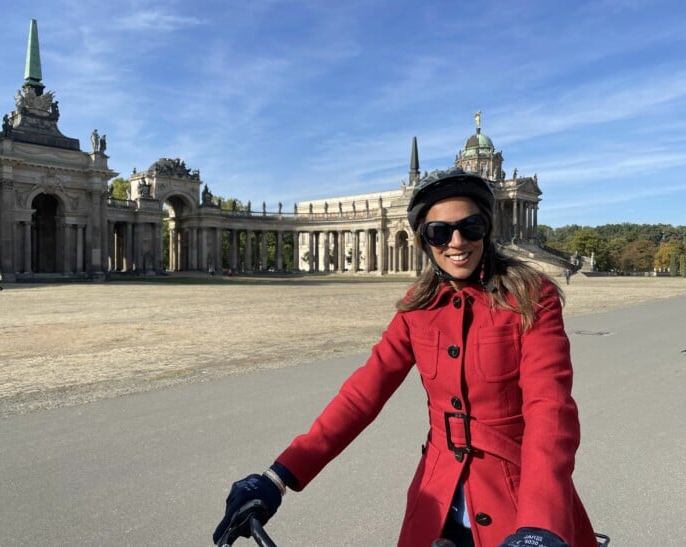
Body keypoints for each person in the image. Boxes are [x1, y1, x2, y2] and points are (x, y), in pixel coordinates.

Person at [212, 167, 598, 547]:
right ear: (425, 240)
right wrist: (278, 476)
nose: (457, 242)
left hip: (520, 508)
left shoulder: (531, 296)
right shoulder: (418, 306)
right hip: (437, 503)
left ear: (488, 228)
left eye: (471, 226)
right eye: (440, 232)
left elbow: (550, 406)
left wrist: (540, 524)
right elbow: (362, 395)